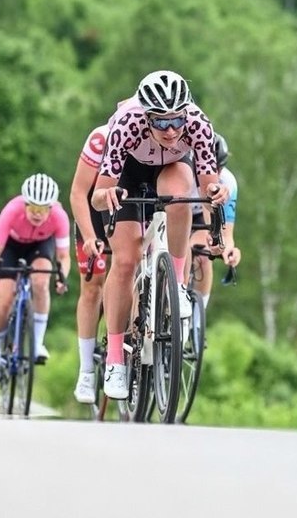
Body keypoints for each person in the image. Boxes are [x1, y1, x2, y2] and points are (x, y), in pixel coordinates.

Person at [90, 70, 230, 399]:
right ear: (146, 116)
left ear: (187, 114)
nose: (171, 130)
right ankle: (115, 360)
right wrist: (107, 198)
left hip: (173, 168)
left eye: (177, 121)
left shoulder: (197, 123)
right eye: (161, 123)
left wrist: (216, 206)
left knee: (181, 195)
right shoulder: (126, 123)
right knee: (125, 263)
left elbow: (209, 188)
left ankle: (177, 282)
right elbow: (98, 195)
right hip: (128, 171)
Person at [0, 173, 71, 381]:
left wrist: (62, 278)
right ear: (24, 204)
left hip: (40, 246)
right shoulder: (11, 211)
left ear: (51, 208)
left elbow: (64, 256)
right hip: (11, 247)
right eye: (32, 208)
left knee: (41, 282)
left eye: (42, 210)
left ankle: (37, 343)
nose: (37, 214)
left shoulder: (60, 217)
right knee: (4, 301)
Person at [69, 124, 110, 404]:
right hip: (94, 211)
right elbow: (78, 193)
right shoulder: (101, 139)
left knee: (132, 268)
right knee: (93, 289)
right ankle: (86, 370)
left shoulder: (159, 136)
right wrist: (89, 236)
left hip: (130, 205)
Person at [188, 133, 241, 309]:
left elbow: (226, 234)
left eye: (217, 169)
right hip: (174, 213)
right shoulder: (182, 174)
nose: (213, 174)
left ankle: (197, 322)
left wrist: (229, 250)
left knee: (203, 257)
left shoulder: (228, 182)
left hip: (200, 219)